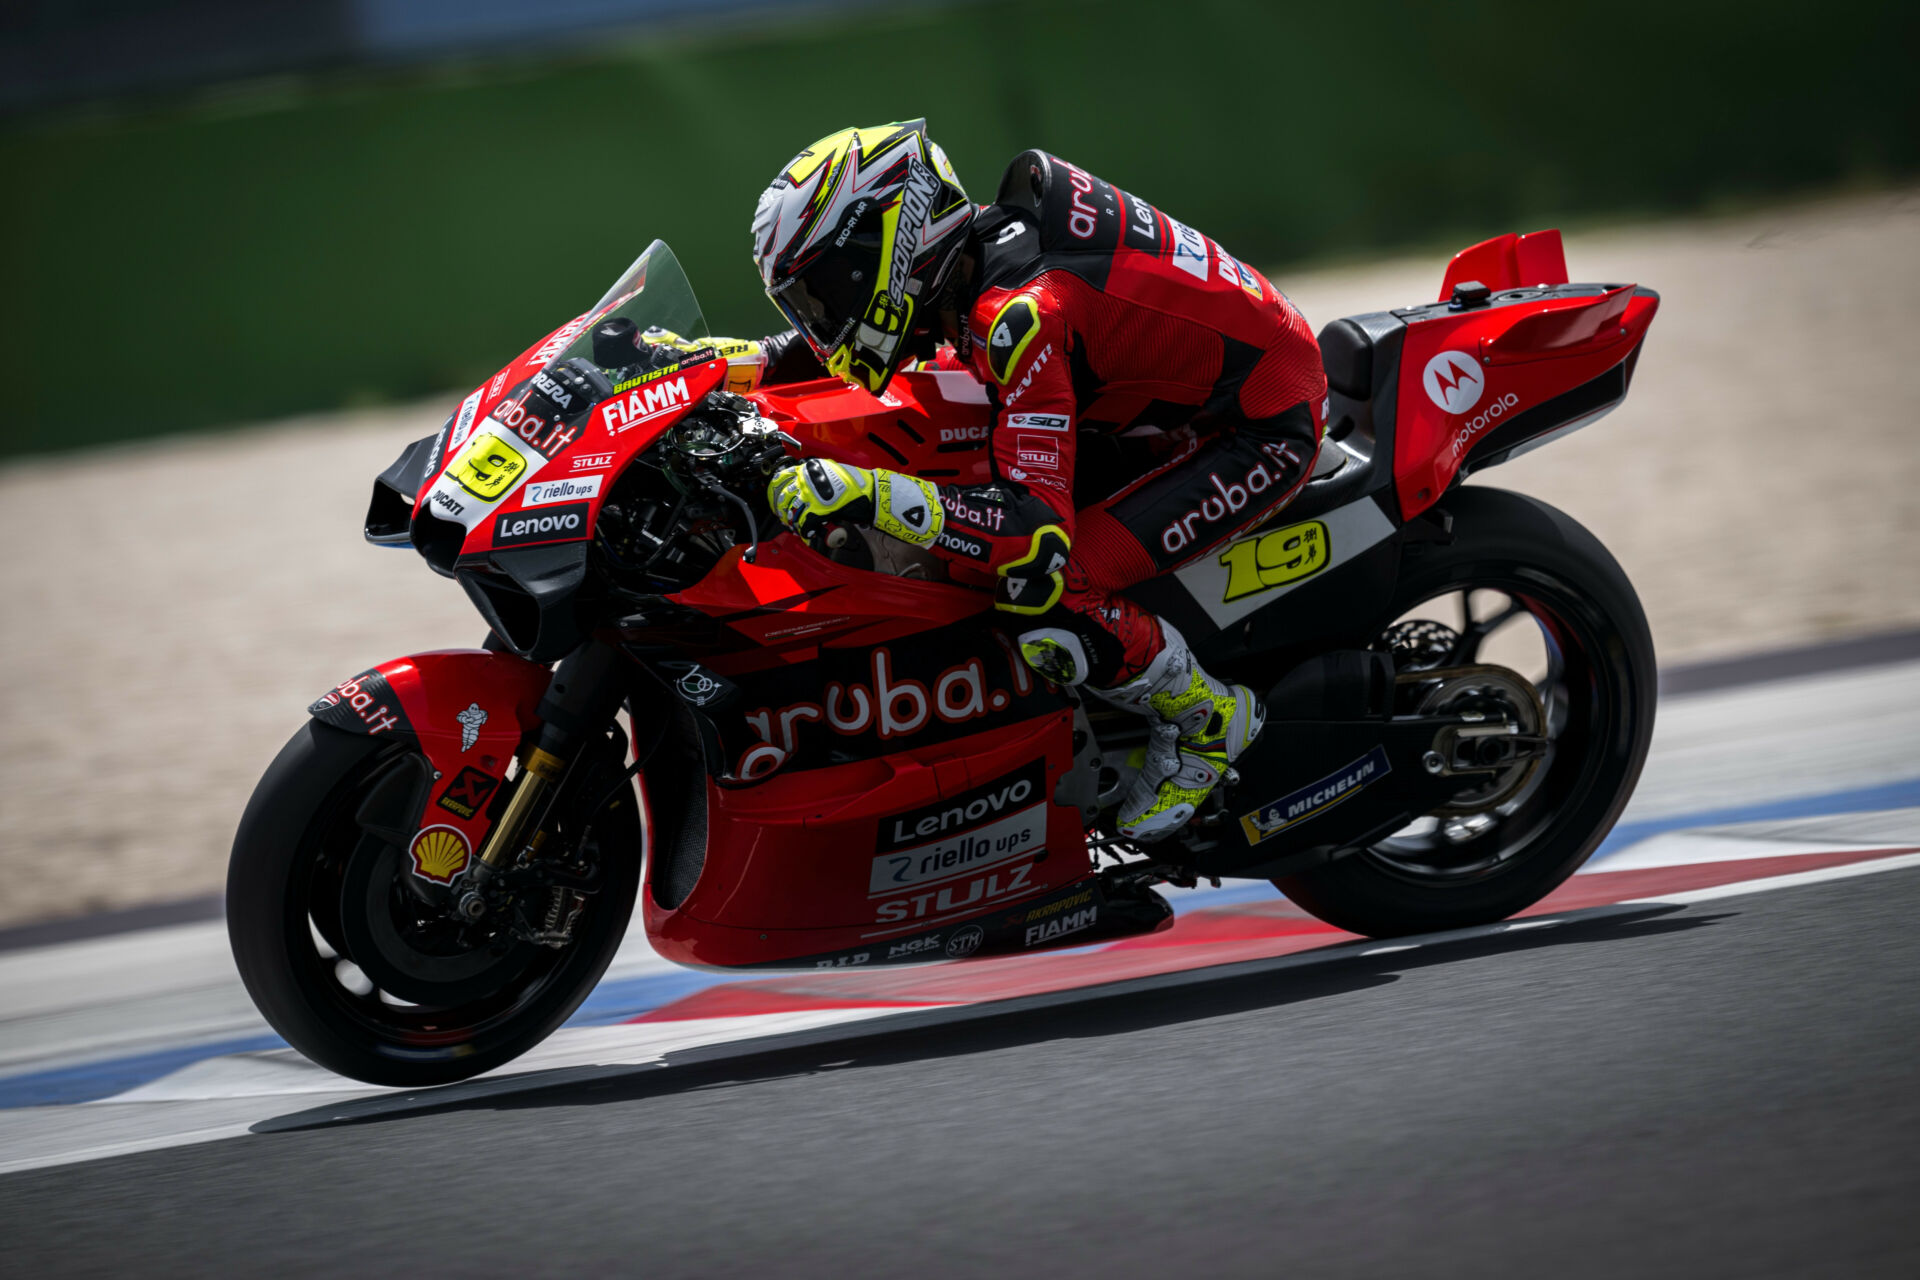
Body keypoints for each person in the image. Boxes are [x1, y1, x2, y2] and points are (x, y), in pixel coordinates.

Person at [707, 121, 1327, 841]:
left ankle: (1205, 721)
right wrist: (710, 367)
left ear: (891, 244)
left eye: (826, 291)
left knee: (1048, 589)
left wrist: (867, 493)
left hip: (1256, 425)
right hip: (1161, 402)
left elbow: (1035, 533)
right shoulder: (975, 259)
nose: (824, 320)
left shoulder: (1021, 312)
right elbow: (833, 351)